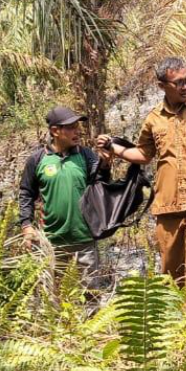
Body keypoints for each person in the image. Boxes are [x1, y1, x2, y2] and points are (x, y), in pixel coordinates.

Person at [96, 57, 186, 303]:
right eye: (178, 82)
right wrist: (113, 147)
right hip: (167, 207)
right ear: (162, 85)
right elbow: (143, 154)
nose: (185, 86)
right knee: (172, 275)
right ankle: (174, 327)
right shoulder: (153, 119)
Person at [19, 106, 110, 286]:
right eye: (71, 127)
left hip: (85, 238)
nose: (77, 131)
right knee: (55, 295)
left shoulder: (86, 156)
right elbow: (26, 193)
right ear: (55, 131)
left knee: (92, 295)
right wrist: (26, 226)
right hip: (53, 241)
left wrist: (105, 163)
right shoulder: (37, 160)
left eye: (77, 126)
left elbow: (100, 185)